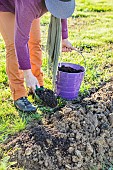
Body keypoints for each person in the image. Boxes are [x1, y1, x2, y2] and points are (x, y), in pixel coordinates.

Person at [0, 0, 76, 112]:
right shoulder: (29, 5)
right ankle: (19, 94)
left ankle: (37, 87)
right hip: (6, 5)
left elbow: (61, 9)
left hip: (27, 5)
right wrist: (27, 73)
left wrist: (64, 37)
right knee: (13, 47)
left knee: (35, 43)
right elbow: (20, 43)